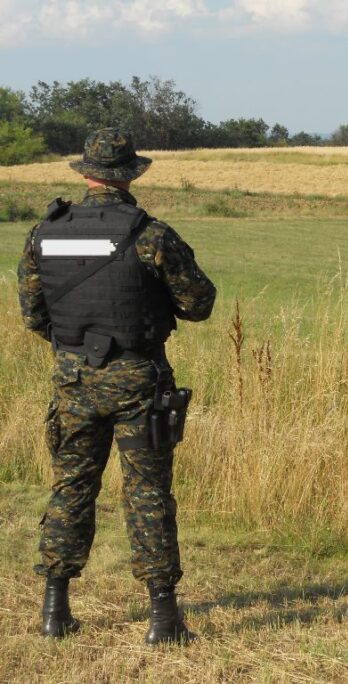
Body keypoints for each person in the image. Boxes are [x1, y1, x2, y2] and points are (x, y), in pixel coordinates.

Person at [17, 128, 217, 645]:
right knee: (148, 495)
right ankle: (163, 619)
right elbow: (199, 304)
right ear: (131, 174)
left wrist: (77, 348)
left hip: (75, 381)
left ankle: (54, 609)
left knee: (71, 489)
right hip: (139, 383)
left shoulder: (44, 232)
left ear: (86, 174)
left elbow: (33, 315)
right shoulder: (151, 235)